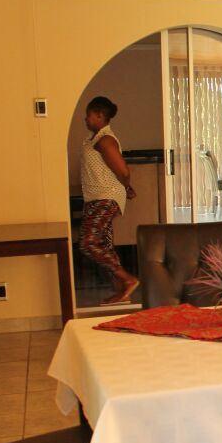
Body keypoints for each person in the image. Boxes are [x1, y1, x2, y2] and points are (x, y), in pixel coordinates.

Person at [78, 96, 139, 304]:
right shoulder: (94, 139)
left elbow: (123, 171)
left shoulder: (105, 140)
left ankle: (128, 279)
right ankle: (122, 291)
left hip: (106, 196)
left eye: (88, 115)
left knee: (88, 242)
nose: (85, 119)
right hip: (96, 197)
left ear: (100, 115)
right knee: (104, 243)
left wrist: (126, 187)